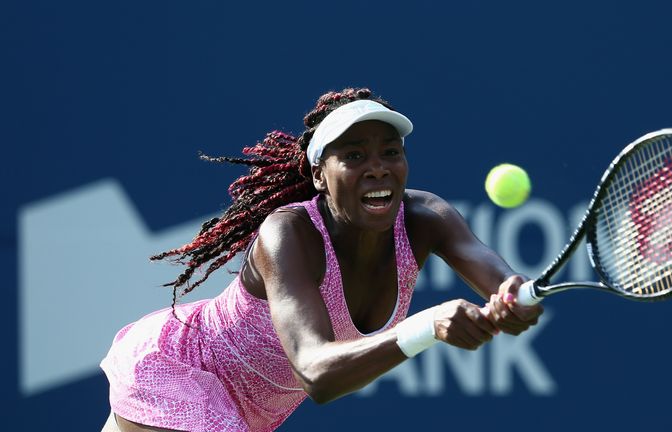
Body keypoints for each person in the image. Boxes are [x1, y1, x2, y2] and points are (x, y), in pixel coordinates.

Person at [100, 88, 543, 432]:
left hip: (246, 414)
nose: (378, 168)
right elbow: (317, 373)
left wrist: (514, 298)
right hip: (175, 369)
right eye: (353, 156)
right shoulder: (289, 233)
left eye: (391, 151)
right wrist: (428, 326)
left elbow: (498, 280)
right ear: (318, 175)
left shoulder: (425, 217)